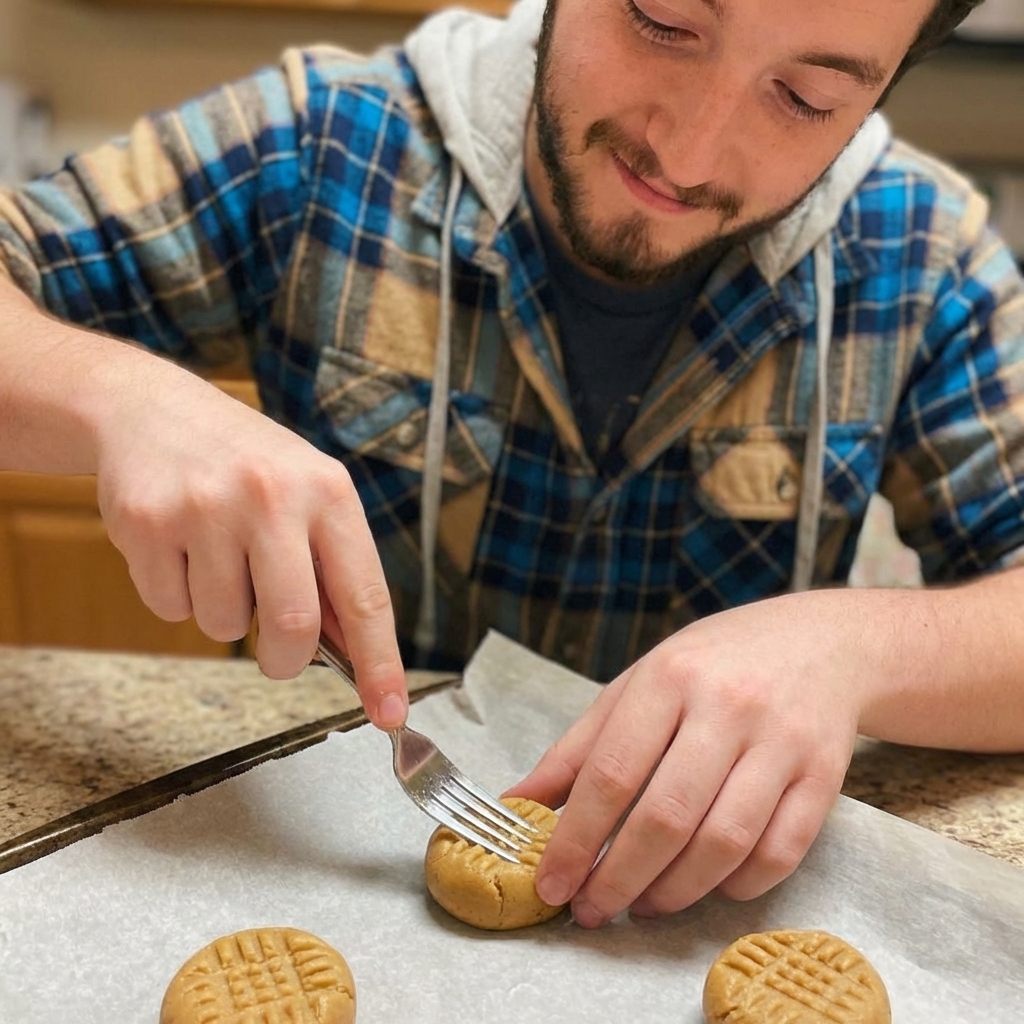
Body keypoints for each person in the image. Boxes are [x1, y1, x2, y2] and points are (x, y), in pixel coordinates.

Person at [1, 0, 1021, 929]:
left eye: (804, 97)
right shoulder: (318, 148)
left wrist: (852, 653)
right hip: (294, 854)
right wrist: (109, 395)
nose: (690, 151)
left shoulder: (925, 254)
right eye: (662, 20)